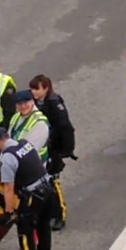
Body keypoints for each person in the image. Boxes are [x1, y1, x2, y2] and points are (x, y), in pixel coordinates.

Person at [0, 127, 53, 250]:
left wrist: (9, 212)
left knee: (25, 230)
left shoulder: (7, 157)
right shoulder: (25, 144)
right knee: (44, 227)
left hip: (33, 196)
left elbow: (9, 188)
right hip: (48, 190)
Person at [30, 75, 76, 231]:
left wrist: (66, 151)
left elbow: (66, 128)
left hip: (54, 149)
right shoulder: (35, 102)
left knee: (53, 182)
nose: (33, 92)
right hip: (43, 147)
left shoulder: (54, 104)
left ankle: (59, 215)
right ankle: (47, 211)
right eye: (32, 88)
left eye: (37, 89)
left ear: (46, 88)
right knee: (43, 181)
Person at [8, 89, 50, 162]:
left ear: (32, 102)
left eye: (25, 102)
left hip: (34, 165)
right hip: (17, 160)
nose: (23, 106)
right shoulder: (16, 117)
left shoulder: (40, 122)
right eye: (19, 104)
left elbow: (30, 150)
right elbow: (8, 139)